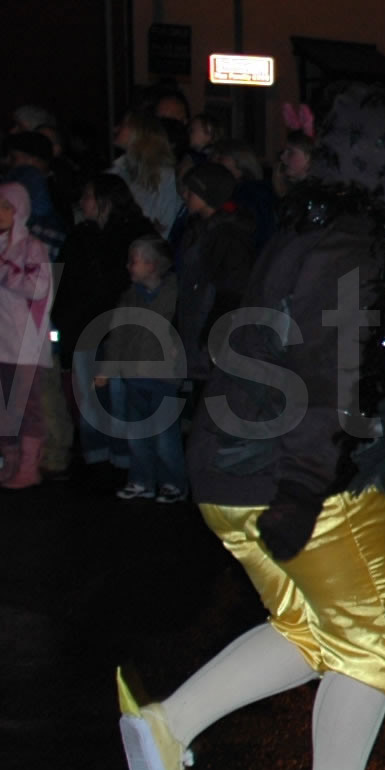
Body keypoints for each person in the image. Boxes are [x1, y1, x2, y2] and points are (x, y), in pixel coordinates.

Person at [115, 87, 385, 770]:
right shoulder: (354, 245)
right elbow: (329, 375)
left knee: (310, 630)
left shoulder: (312, 228)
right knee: (374, 640)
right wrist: (303, 485)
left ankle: (168, 725)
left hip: (234, 471)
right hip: (306, 477)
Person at [0, 181, 55, 488]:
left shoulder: (32, 247)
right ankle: (11, 463)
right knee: (0, 406)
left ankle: (29, 467)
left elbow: (37, 287)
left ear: (20, 210)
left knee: (26, 406)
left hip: (22, 343)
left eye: (6, 207)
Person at [93, 235, 188, 503]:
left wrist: (181, 361)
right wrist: (107, 369)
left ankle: (173, 482)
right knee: (137, 434)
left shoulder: (176, 293)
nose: (128, 266)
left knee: (165, 436)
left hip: (164, 377)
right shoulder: (130, 296)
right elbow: (118, 336)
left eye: (133, 261)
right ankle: (141, 480)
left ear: (151, 265)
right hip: (134, 377)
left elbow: (184, 329)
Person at [171, 161, 256, 387]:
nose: (185, 196)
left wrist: (212, 336)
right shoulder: (198, 228)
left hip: (209, 332)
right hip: (193, 326)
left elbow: (232, 290)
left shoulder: (229, 236)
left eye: (191, 191)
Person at [112, 113, 183, 238]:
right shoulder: (119, 171)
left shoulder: (165, 177)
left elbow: (165, 228)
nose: (115, 129)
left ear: (138, 133)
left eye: (123, 125)